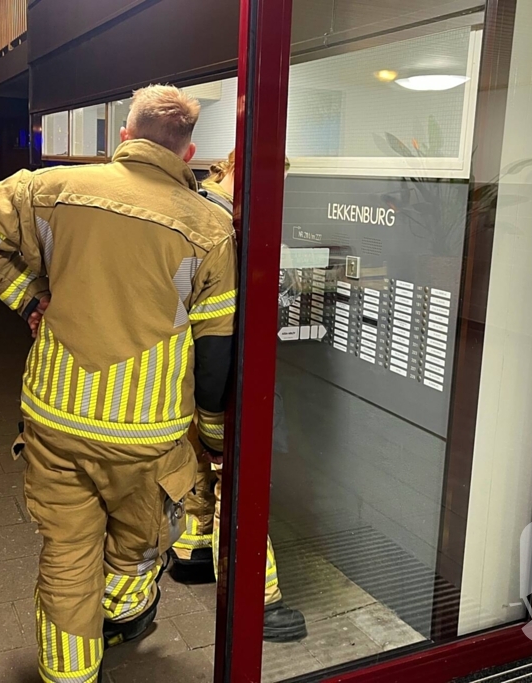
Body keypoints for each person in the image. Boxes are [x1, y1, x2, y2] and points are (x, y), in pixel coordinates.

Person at [0, 85, 237, 683]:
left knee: (67, 554)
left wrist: (28, 297)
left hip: (55, 417)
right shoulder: (212, 228)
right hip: (147, 434)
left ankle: (70, 674)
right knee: (144, 541)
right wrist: (212, 435)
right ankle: (125, 615)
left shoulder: (48, 189)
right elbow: (216, 351)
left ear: (124, 138)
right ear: (189, 152)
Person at [170, 150, 308, 643]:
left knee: (199, 466)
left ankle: (194, 552)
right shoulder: (233, 228)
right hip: (229, 374)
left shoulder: (188, 210)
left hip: (182, 371)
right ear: (228, 168)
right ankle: (260, 598)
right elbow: (270, 308)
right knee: (240, 478)